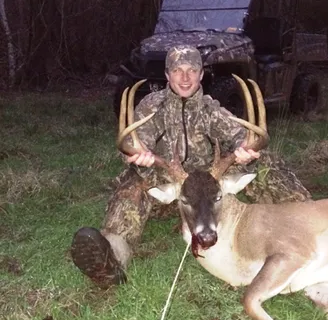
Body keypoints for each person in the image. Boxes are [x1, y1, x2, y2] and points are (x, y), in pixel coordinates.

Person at [70, 45, 312, 288]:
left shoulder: (211, 110)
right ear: (167, 75)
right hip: (169, 188)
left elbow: (241, 135)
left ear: (201, 74)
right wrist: (139, 157)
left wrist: (245, 150)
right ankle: (111, 257)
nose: (185, 77)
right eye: (177, 70)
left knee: (266, 163)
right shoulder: (151, 107)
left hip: (209, 190)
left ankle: (311, 219)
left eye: (192, 70)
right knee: (133, 183)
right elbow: (133, 144)